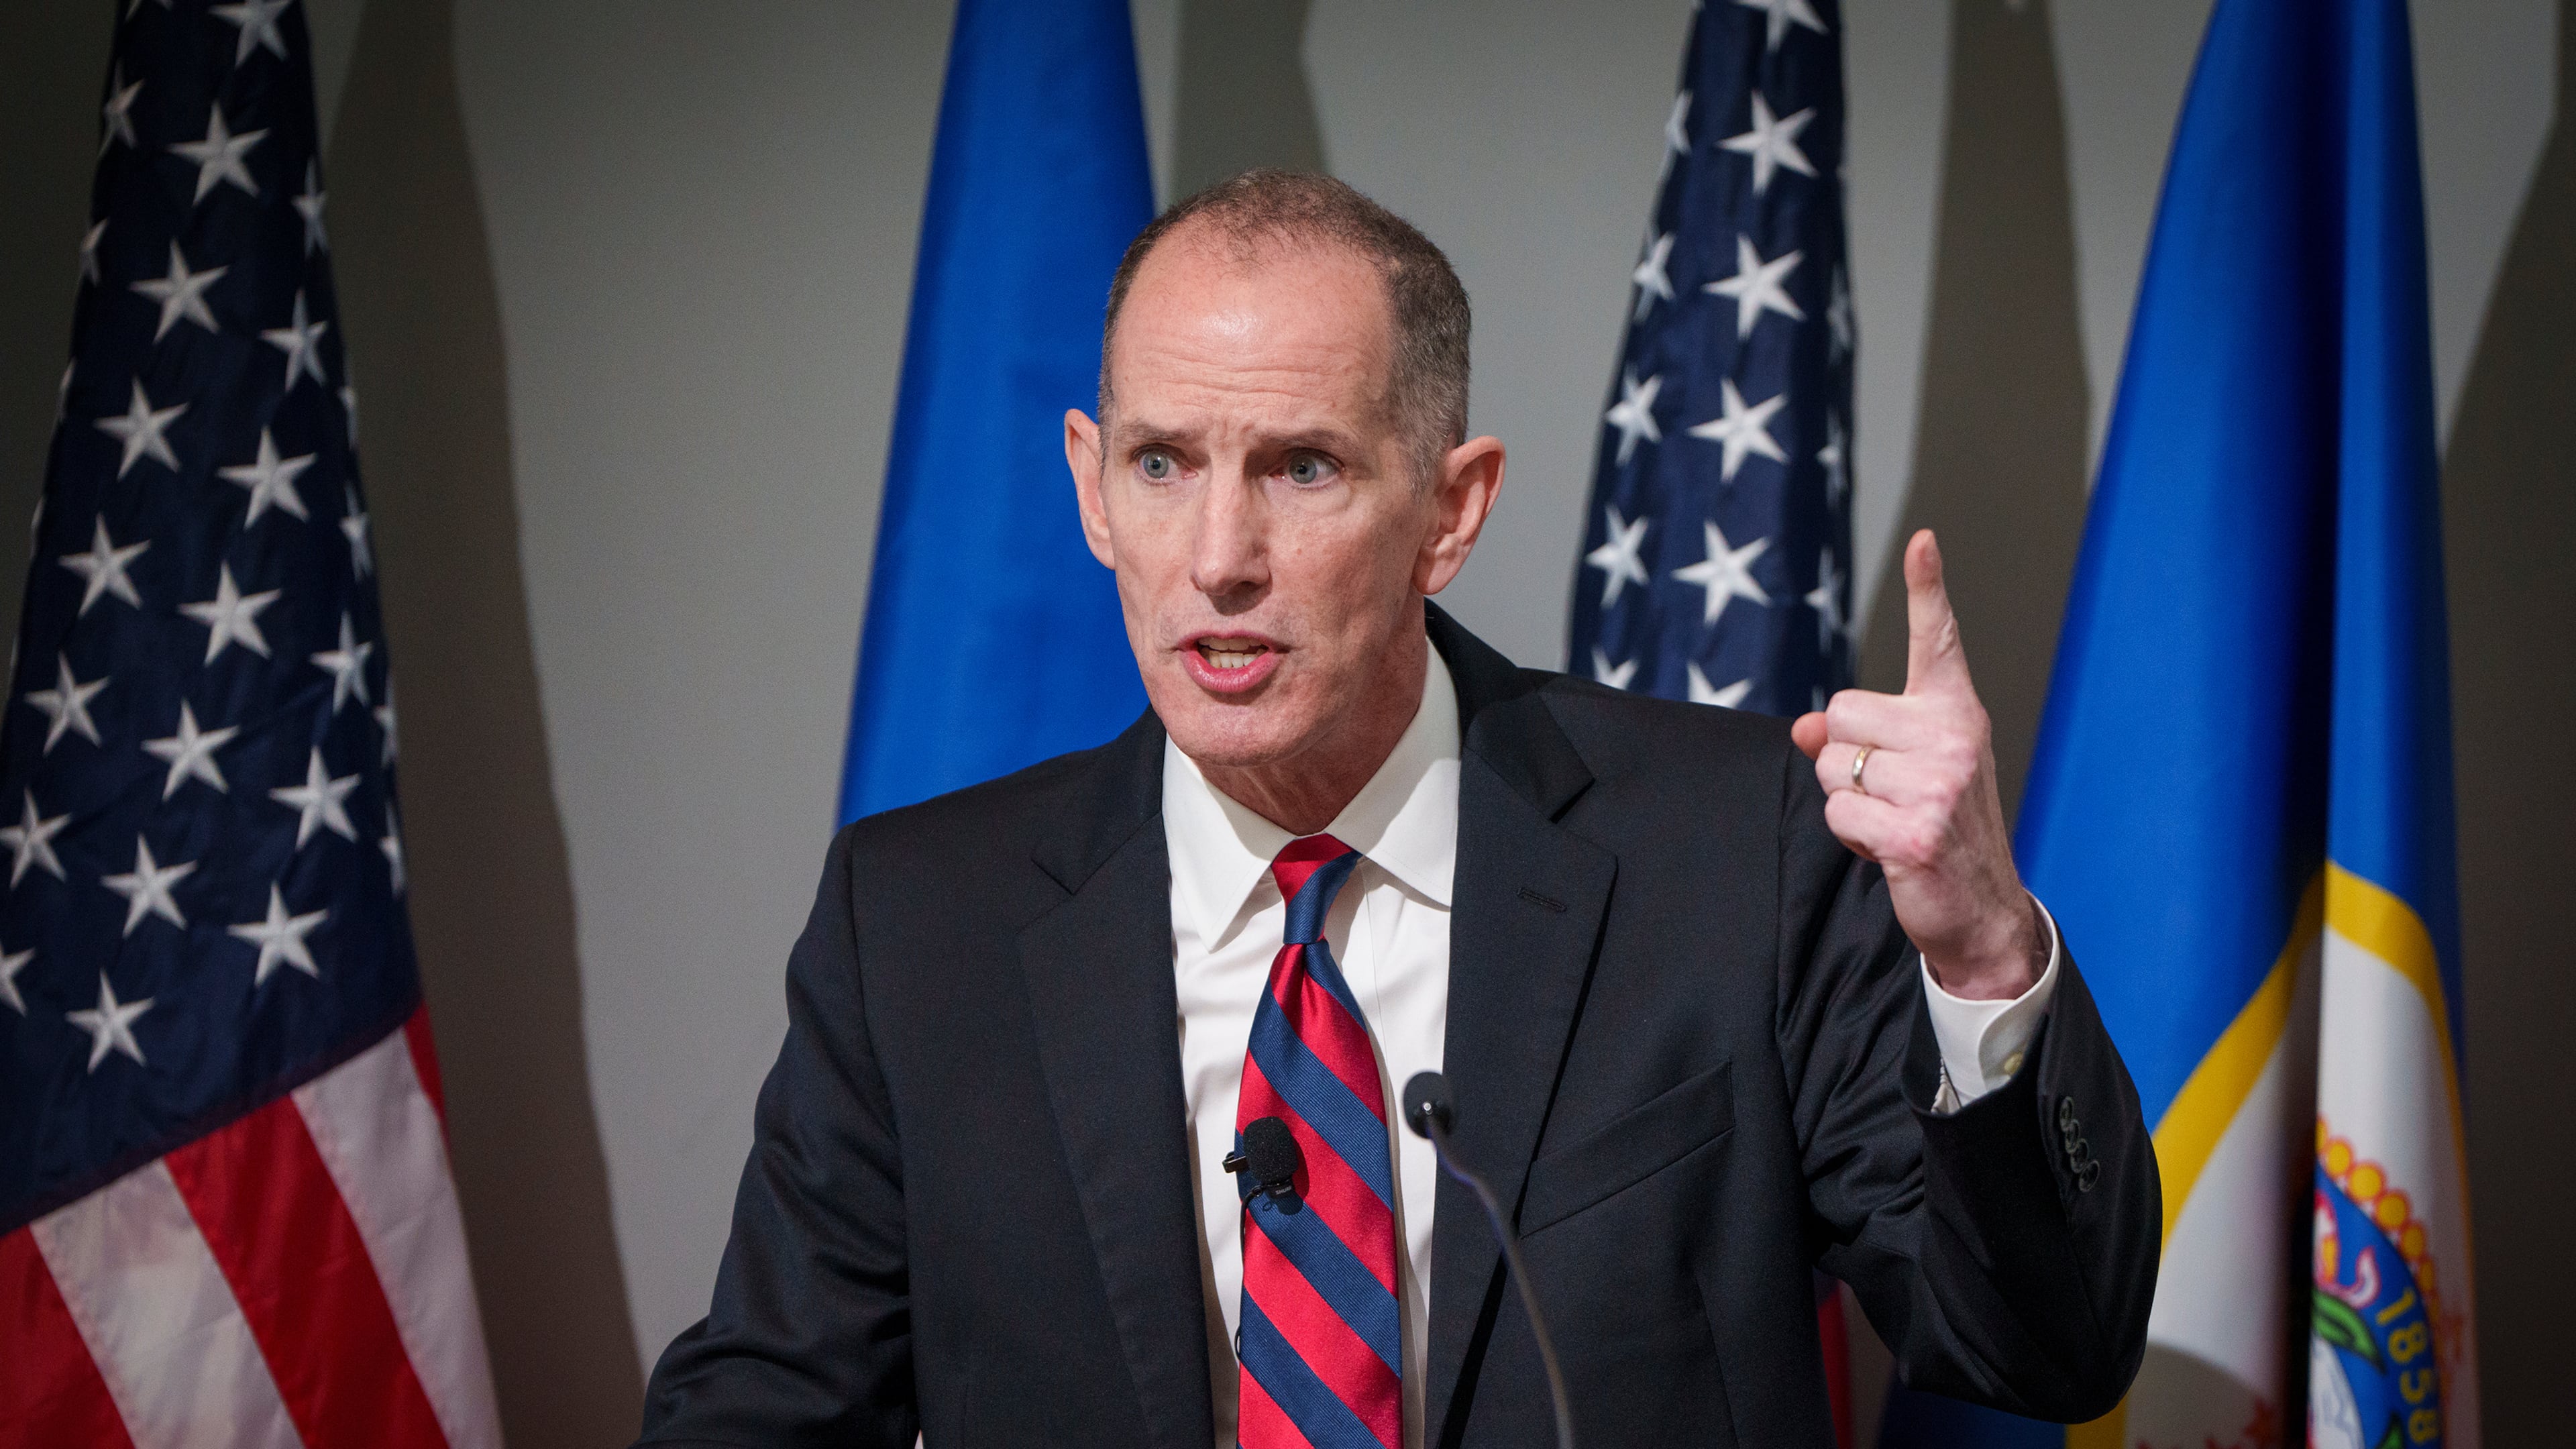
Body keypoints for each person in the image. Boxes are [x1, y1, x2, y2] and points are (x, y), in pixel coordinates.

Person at [635, 170, 2157, 1449]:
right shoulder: (922, 921)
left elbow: (2044, 1352)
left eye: (1300, 469)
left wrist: (1983, 960)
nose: (1219, 555)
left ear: (1453, 507)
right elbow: (771, 1403)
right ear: (1093, 488)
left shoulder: (1728, 851)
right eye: (1164, 464)